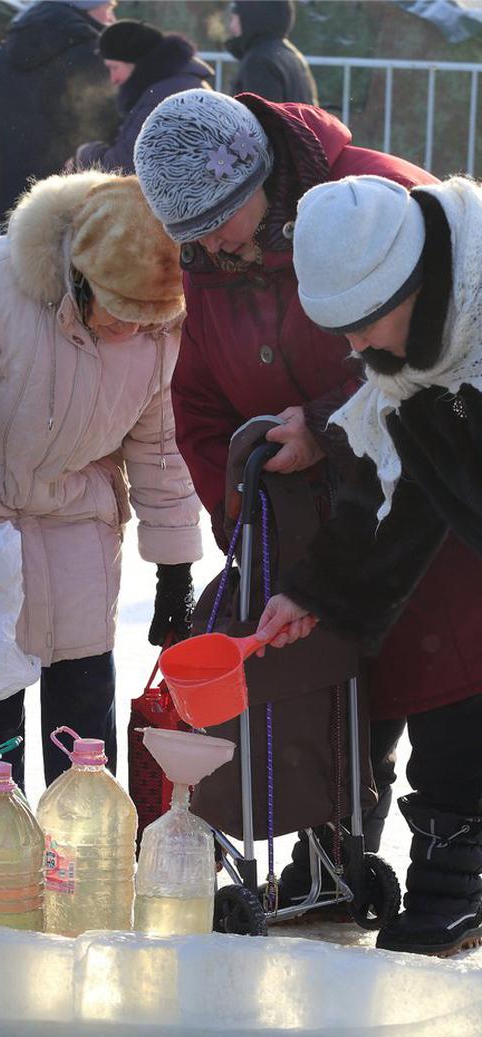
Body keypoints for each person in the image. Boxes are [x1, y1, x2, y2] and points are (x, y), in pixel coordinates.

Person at [132, 89, 482, 916]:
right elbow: (203, 406)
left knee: (451, 680)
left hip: (433, 523)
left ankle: (455, 866)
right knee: (331, 696)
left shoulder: (378, 203)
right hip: (334, 523)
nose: (209, 245)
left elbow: (408, 376)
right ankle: (337, 859)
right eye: (190, 235)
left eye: (219, 219)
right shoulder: (213, 264)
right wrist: (261, 538)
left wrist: (327, 425)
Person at [0, 172, 202, 787]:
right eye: (120, 313)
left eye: (148, 320)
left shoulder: (163, 329)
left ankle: (79, 843)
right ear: (80, 278)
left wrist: (175, 568)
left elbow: (162, 447)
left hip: (79, 518)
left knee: (85, 717)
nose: (132, 332)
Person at [255, 173, 482, 957]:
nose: (354, 350)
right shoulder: (415, 360)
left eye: (363, 325)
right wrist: (315, 592)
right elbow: (398, 493)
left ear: (412, 284)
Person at [0, 0, 120, 225]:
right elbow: (106, 124)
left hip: (17, 194)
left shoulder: (4, 53)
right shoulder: (91, 54)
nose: (112, 20)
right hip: (72, 195)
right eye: (108, 10)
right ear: (85, 8)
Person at [73, 19, 213, 175]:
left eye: (114, 67)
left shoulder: (160, 97)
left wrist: (83, 156)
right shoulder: (175, 83)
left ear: (136, 62)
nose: (113, 79)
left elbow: (124, 165)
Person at [226, 0, 318, 106]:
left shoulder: (259, 61)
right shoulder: (292, 55)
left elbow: (262, 114)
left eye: (235, 18)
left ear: (251, 18)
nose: (232, 26)